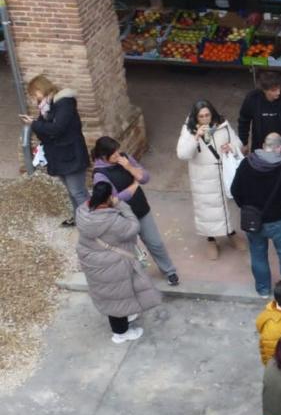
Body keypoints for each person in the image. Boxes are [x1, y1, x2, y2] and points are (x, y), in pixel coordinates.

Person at [75, 181, 162, 344]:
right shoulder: (113, 221)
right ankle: (120, 333)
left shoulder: (82, 211)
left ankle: (124, 319)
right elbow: (133, 227)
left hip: (94, 261)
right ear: (108, 197)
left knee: (111, 294)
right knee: (116, 299)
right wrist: (121, 205)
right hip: (112, 264)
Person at [90, 136, 179, 286]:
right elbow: (113, 200)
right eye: (114, 155)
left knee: (155, 243)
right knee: (130, 251)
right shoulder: (100, 175)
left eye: (118, 152)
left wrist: (129, 167)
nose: (118, 156)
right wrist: (133, 186)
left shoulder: (125, 158)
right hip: (122, 217)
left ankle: (169, 271)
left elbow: (144, 178)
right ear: (104, 156)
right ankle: (135, 279)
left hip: (141, 208)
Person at [176, 99, 247, 260]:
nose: (205, 119)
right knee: (206, 209)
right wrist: (196, 137)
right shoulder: (189, 130)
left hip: (223, 173)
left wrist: (232, 147)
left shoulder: (222, 125)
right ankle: (211, 239)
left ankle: (230, 233)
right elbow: (182, 154)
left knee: (224, 206)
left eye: (207, 115)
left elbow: (238, 142)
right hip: (203, 176)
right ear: (196, 117)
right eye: (201, 116)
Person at [231, 132, 281, 297]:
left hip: (253, 220)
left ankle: (263, 290)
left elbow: (235, 190)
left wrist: (246, 207)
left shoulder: (246, 163)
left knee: (258, 254)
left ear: (263, 145)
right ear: (280, 148)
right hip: (279, 221)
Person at [20, 76, 88, 227]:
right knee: (72, 191)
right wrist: (36, 124)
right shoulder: (46, 106)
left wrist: (35, 124)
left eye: (33, 94)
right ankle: (79, 219)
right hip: (59, 155)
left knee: (78, 192)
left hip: (71, 155)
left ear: (40, 89)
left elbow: (57, 129)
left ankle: (91, 223)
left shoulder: (64, 104)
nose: (33, 98)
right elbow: (45, 132)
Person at [238, 72, 281, 160]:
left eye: (279, 88)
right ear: (264, 90)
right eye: (273, 90)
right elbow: (244, 121)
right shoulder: (252, 98)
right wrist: (243, 142)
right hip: (260, 145)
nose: (278, 92)